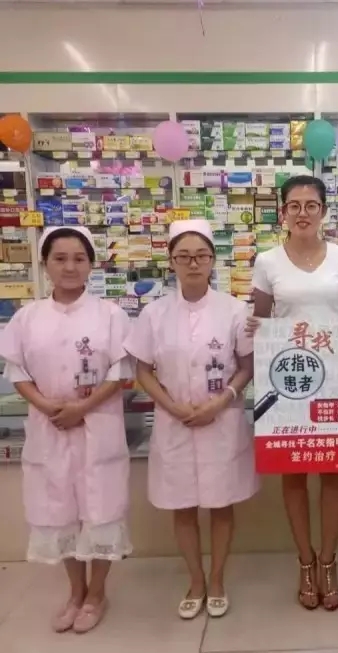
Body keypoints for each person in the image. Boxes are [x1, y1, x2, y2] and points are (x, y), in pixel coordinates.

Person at [0, 226, 132, 633]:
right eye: (60, 258)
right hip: (50, 427)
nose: (70, 266)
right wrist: (46, 406)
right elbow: (17, 371)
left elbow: (121, 371)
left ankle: (97, 594)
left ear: (91, 264)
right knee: (60, 512)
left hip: (98, 425)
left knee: (101, 509)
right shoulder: (27, 318)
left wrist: (83, 408)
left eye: (79, 258)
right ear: (46, 264)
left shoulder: (110, 315)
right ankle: (76, 592)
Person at [124, 219, 257, 620]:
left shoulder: (235, 310)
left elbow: (247, 366)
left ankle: (216, 580)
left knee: (220, 504)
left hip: (222, 421)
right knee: (181, 505)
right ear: (172, 262)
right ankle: (195, 580)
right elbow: (143, 369)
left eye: (201, 255)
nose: (193, 263)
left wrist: (223, 400)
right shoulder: (155, 314)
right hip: (175, 422)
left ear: (213, 260)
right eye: (184, 256)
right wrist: (171, 406)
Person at [247, 175, 338, 611]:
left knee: (333, 471)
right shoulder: (267, 261)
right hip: (287, 378)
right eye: (294, 205)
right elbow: (262, 320)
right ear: (283, 212)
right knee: (292, 473)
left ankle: (329, 561)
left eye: (311, 205)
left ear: (324, 211)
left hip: (335, 376)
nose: (303, 213)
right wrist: (254, 327)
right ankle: (305, 561)